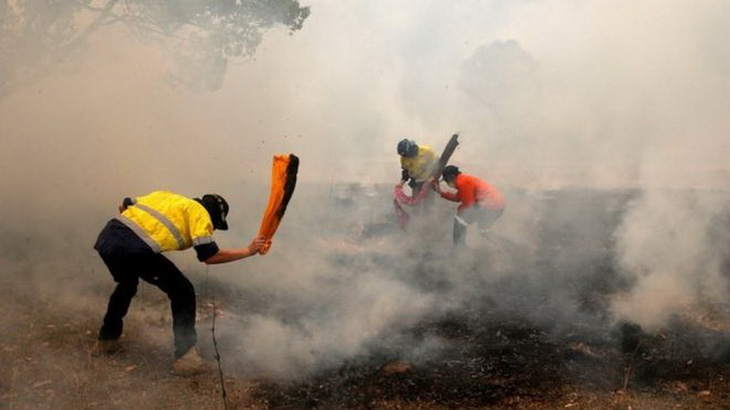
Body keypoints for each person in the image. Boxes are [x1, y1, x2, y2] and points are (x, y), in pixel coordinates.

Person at [91, 190, 265, 375]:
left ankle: (107, 341)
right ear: (214, 215)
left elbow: (125, 204)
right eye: (216, 225)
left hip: (107, 239)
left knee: (127, 284)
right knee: (183, 291)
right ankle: (186, 358)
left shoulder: (168, 197)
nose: (212, 230)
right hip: (134, 249)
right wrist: (248, 250)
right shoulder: (200, 213)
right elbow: (209, 255)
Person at [433, 165, 505, 246]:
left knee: (460, 220)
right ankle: (510, 247)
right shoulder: (463, 179)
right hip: (497, 206)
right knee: (484, 231)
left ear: (451, 177)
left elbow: (469, 204)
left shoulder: (463, 182)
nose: (447, 183)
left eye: (446, 180)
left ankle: (459, 250)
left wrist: (459, 211)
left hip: (490, 206)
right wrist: (441, 192)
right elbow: (458, 198)